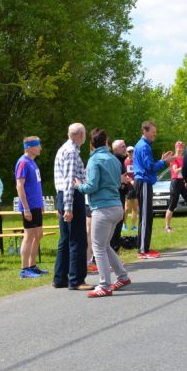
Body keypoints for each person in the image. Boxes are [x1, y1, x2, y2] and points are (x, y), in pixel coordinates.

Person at [76, 128, 131, 298]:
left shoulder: (94, 161)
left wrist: (78, 185)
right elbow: (117, 182)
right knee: (105, 245)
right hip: (117, 206)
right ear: (106, 143)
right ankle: (122, 276)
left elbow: (91, 186)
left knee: (97, 247)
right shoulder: (114, 159)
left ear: (91, 145)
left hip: (102, 208)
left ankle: (104, 285)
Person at [53, 123, 93, 290]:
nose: (85, 137)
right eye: (84, 134)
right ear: (79, 135)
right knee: (78, 239)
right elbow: (70, 182)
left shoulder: (67, 149)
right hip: (71, 196)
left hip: (63, 196)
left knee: (65, 238)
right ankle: (76, 279)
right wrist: (68, 208)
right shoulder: (70, 153)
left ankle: (60, 277)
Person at [132, 120, 175, 258]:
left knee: (148, 216)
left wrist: (162, 160)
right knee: (145, 216)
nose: (154, 135)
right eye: (153, 132)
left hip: (145, 182)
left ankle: (144, 248)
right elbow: (150, 167)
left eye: (155, 133)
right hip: (143, 183)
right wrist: (164, 162)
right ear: (145, 131)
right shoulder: (144, 146)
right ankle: (143, 250)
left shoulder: (144, 145)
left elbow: (149, 165)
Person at [14, 136, 47, 279]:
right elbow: (19, 186)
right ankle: (24, 269)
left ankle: (32, 265)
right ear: (29, 147)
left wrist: (41, 203)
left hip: (36, 205)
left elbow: (36, 185)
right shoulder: (23, 162)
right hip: (29, 206)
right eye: (37, 145)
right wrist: (26, 208)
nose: (40, 148)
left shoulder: (33, 163)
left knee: (38, 234)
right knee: (28, 236)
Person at [165, 141, 187, 233]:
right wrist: (184, 166)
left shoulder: (183, 159)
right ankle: (167, 226)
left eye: (182, 148)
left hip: (182, 182)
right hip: (175, 182)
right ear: (176, 148)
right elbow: (175, 171)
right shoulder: (173, 158)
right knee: (172, 204)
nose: (180, 149)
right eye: (178, 148)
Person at [123, 145, 138, 231]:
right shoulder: (125, 162)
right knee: (127, 208)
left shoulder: (136, 161)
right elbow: (124, 174)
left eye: (132, 151)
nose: (131, 153)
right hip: (128, 186)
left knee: (135, 207)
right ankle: (124, 225)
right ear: (127, 153)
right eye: (129, 151)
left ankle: (133, 225)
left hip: (136, 186)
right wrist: (130, 180)